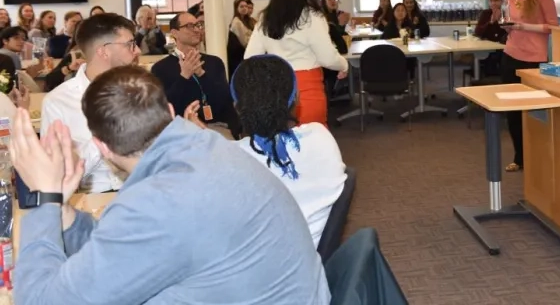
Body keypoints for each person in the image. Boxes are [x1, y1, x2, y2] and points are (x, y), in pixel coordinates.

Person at [10, 66, 331, 304]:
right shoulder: (207, 146)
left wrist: (44, 198)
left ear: (101, 146)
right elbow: (122, 248)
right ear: (169, 111)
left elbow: (40, 300)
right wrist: (63, 211)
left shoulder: (160, 202)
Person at [231, 55, 346, 247]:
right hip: (316, 260)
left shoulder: (229, 159)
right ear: (297, 98)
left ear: (237, 107)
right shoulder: (321, 137)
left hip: (262, 269)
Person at [41, 13, 140, 193]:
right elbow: (57, 174)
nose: (138, 51)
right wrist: (105, 133)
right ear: (104, 50)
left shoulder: (140, 91)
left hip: (139, 193)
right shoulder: (58, 101)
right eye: (130, 44)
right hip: (88, 200)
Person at [245, 0, 348, 126]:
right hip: (306, 91)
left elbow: (250, 59)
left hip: (276, 92)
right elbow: (327, 58)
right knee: (311, 146)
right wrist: (344, 65)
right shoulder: (312, 16)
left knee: (281, 144)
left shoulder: (265, 17)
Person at [500, 0, 559, 172]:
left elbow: (553, 27)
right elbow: (509, 20)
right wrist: (506, 25)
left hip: (534, 58)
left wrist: (525, 27)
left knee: (534, 110)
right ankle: (519, 157)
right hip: (511, 53)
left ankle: (539, 156)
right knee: (512, 111)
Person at [152, 12, 241, 139]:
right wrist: (184, 76)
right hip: (180, 132)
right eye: (189, 26)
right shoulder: (161, 68)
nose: (196, 30)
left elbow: (225, 101)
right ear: (174, 33)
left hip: (217, 127)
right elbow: (164, 108)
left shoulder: (214, 62)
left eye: (198, 25)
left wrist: (202, 74)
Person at [474, 0, 508, 77]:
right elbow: (477, 32)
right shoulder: (485, 13)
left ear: (502, 1)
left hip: (503, 49)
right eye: (490, 1)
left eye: (496, 0)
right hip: (487, 50)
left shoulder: (507, 14)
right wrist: (491, 22)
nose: (493, 3)